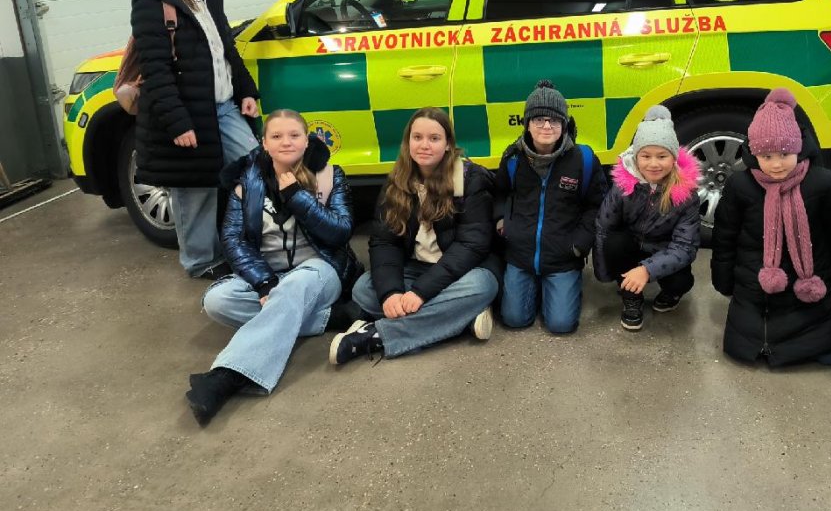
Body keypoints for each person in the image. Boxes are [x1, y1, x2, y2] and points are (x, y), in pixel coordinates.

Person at [186, 110, 361, 426]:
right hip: (271, 276)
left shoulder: (329, 175)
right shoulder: (246, 182)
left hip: (319, 271)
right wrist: (264, 283)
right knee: (216, 301)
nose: (286, 142)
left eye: (294, 135)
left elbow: (341, 232)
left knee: (295, 286)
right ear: (264, 143)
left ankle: (227, 375)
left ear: (306, 141)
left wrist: (296, 196)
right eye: (276, 136)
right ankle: (330, 318)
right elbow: (234, 240)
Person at [131, 0, 260, 279]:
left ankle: (245, 245)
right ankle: (201, 261)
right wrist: (179, 123)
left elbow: (226, 50)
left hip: (224, 106)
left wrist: (246, 92)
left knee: (254, 169)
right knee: (195, 189)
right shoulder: (151, 1)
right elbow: (155, 69)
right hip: (188, 113)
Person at [330, 107, 499, 365]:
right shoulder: (397, 182)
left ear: (448, 144)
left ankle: (376, 336)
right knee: (363, 288)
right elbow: (384, 242)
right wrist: (391, 293)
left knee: (481, 287)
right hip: (417, 268)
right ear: (408, 142)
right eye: (417, 137)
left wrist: (421, 293)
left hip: (465, 271)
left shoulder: (470, 179)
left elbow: (471, 246)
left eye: (434, 138)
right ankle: (459, 318)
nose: (424, 145)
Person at [710, 88, 831, 366]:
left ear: (798, 148)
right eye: (766, 157)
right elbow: (725, 236)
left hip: (809, 281)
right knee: (742, 345)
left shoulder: (825, 185)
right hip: (755, 283)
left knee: (827, 348)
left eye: (784, 154)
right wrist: (724, 278)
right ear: (754, 154)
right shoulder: (740, 186)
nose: (776, 165)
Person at [494, 80, 606, 334]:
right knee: (514, 319)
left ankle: (556, 288)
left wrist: (579, 244)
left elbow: (597, 205)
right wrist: (502, 222)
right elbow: (500, 193)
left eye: (554, 120)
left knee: (561, 324)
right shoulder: (513, 158)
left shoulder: (584, 159)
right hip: (520, 255)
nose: (546, 126)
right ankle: (534, 287)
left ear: (564, 124)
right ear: (527, 123)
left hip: (563, 257)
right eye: (539, 119)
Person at [593, 106, 700, 330]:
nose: (653, 164)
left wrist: (647, 270)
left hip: (664, 248)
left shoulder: (686, 194)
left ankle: (670, 294)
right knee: (615, 242)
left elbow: (685, 247)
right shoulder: (622, 186)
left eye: (662, 156)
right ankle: (631, 297)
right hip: (630, 245)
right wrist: (605, 272)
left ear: (673, 158)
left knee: (681, 281)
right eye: (646, 156)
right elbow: (604, 225)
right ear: (636, 157)